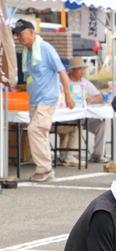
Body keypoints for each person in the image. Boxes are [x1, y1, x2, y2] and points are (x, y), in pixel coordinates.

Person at [13, 19, 74, 182]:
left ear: (32, 32)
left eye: (21, 33)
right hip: (34, 100)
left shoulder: (46, 48)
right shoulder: (27, 52)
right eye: (17, 35)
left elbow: (62, 71)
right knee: (40, 133)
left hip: (47, 99)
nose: (19, 37)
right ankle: (45, 168)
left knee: (35, 130)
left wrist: (68, 94)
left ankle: (44, 168)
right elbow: (30, 78)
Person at [67, 57, 108, 163]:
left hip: (84, 116)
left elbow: (100, 97)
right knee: (76, 124)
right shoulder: (65, 82)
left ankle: (97, 154)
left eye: (83, 69)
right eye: (80, 69)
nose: (82, 72)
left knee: (100, 124)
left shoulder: (85, 82)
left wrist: (92, 99)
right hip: (69, 116)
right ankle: (71, 154)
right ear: (72, 70)